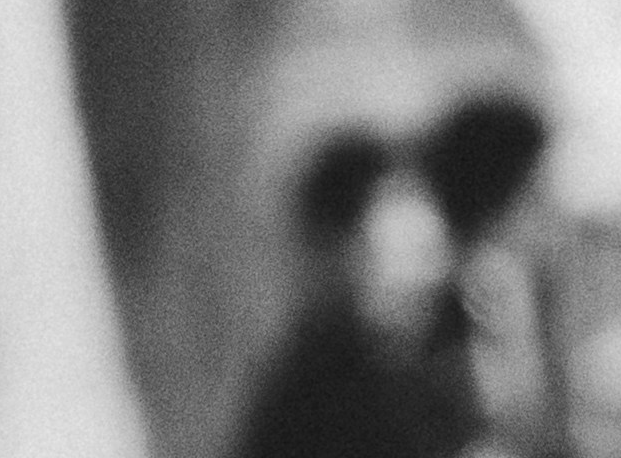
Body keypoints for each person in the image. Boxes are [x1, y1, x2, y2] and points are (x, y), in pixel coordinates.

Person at [222, 127, 473, 458]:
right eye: (405, 254)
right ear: (340, 254)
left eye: (430, 252)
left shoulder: (443, 356)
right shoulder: (317, 394)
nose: (431, 278)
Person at [412, 87, 568, 458]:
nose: (555, 211)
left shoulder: (462, 283)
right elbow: (518, 421)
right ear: (502, 203)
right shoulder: (492, 280)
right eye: (538, 192)